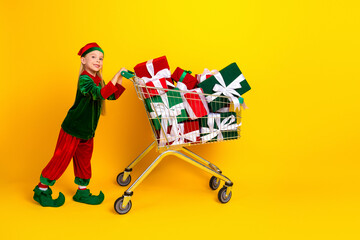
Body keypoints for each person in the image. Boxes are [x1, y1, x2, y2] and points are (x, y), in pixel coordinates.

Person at [33, 42, 127, 207]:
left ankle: (82, 192)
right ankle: (41, 190)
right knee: (61, 159)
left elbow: (110, 96)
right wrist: (116, 75)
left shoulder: (99, 79)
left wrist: (118, 78)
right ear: (83, 60)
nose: (98, 61)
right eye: (93, 57)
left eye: (101, 58)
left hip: (87, 131)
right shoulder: (85, 79)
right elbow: (99, 94)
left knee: (84, 160)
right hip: (73, 128)